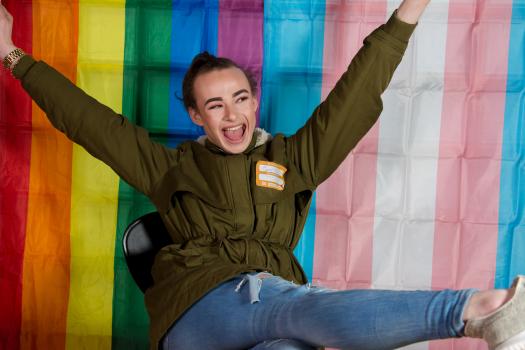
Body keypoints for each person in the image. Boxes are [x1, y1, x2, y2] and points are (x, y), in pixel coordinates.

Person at [1, 0, 524, 349]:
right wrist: (11, 53)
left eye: (240, 98)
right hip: (199, 309)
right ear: (196, 116)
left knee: (288, 340)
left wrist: (411, 8)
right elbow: (87, 119)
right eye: (215, 105)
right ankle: (474, 309)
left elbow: (355, 94)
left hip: (277, 305)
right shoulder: (171, 168)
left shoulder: (291, 159)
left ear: (254, 101)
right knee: (294, 306)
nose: (232, 116)